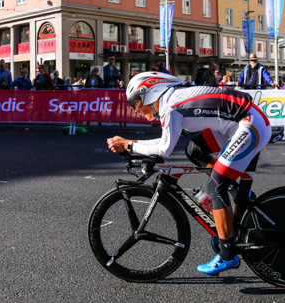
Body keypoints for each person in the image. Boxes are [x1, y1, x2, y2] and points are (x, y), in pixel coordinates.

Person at [107, 72, 271, 276]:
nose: (136, 109)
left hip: (249, 123)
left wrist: (129, 144)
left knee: (216, 186)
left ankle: (228, 254)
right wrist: (132, 146)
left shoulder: (170, 107)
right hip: (238, 123)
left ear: (149, 93)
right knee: (195, 150)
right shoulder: (171, 100)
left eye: (136, 103)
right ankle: (234, 192)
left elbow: (165, 149)